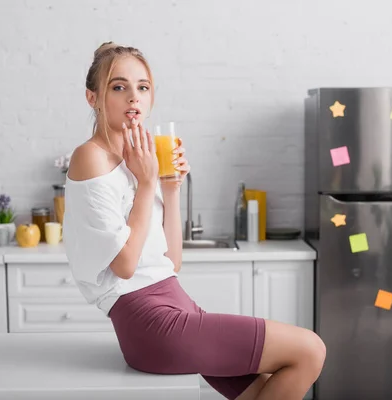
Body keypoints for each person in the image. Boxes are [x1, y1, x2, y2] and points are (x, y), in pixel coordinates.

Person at [63, 42, 326, 400]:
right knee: (309, 349)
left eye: (143, 87)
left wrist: (170, 189)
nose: (133, 98)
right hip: (147, 320)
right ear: (92, 98)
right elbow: (124, 266)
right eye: (118, 86)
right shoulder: (89, 157)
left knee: (261, 392)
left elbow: (171, 262)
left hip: (176, 304)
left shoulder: (140, 158)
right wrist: (145, 184)